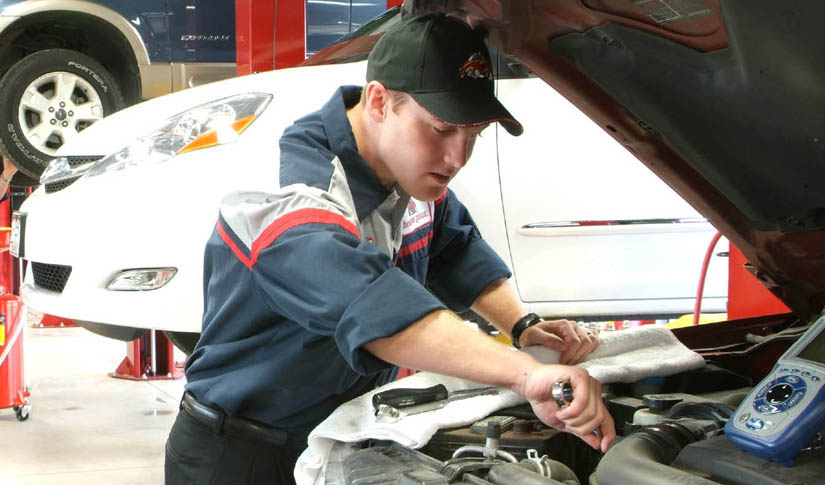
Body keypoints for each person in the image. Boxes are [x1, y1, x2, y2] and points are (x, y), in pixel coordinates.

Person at [165, 13, 615, 485]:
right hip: (241, 455)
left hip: (338, 437)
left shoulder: (408, 173)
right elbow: (370, 306)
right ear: (379, 101)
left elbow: (455, 248)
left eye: (474, 135)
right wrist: (525, 375)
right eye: (441, 130)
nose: (457, 158)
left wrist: (523, 327)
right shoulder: (294, 193)